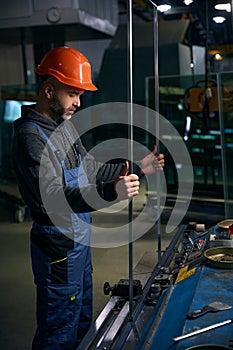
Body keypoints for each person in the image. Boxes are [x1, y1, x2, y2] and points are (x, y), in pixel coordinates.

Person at [11, 46, 164, 350]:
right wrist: (111, 193)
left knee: (81, 320)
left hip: (78, 240)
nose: (78, 103)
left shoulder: (63, 129)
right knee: (59, 329)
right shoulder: (32, 137)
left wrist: (136, 168)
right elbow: (52, 199)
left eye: (80, 95)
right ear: (49, 89)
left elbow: (89, 169)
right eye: (73, 94)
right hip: (58, 247)